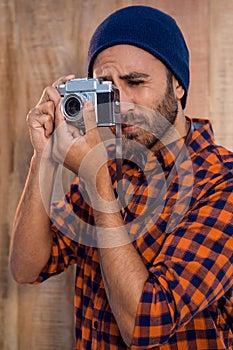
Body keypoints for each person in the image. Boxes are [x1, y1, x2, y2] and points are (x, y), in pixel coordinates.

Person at [9, 5, 233, 349]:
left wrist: (97, 180)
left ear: (177, 84)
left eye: (135, 82)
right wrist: (44, 156)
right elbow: (27, 267)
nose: (121, 102)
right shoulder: (107, 162)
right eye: (106, 88)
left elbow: (145, 325)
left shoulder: (221, 181)